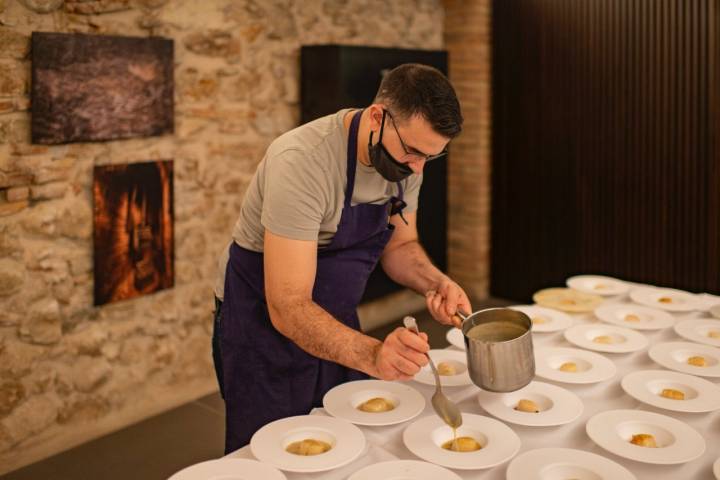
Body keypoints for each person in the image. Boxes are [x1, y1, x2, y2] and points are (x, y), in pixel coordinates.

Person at [212, 63, 472, 453]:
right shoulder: (302, 161)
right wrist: (372, 354)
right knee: (271, 451)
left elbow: (400, 246)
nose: (417, 168)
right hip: (262, 324)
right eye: (413, 152)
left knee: (341, 443)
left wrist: (436, 283)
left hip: (334, 318)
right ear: (376, 116)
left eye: (430, 158)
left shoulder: (407, 159)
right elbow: (287, 305)